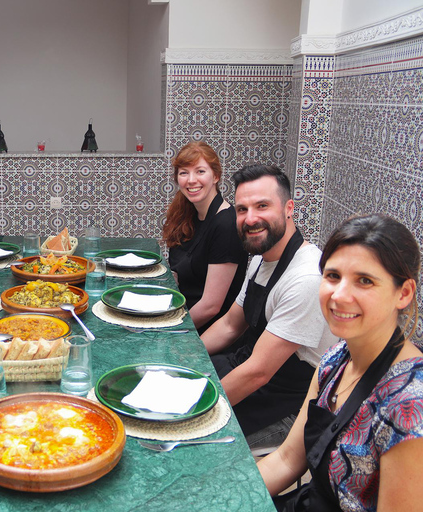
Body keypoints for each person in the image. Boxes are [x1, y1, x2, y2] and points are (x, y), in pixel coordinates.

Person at [258, 214, 423, 511]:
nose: (339, 295)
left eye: (364, 280)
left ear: (404, 293)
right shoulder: (335, 359)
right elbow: (285, 461)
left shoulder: (410, 407)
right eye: (333, 276)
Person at [201, 164, 337, 446]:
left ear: (288, 208)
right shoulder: (262, 256)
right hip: (249, 370)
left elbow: (258, 372)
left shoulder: (306, 277)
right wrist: (186, 358)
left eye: (262, 206)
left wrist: (194, 412)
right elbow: (229, 326)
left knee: (189, 448)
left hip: (289, 407)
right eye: (242, 209)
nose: (251, 219)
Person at [162, 141, 248, 332]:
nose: (191, 180)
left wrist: (169, 331)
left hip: (207, 330)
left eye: (200, 171)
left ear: (216, 176)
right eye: (184, 173)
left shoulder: (226, 224)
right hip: (182, 313)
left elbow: (211, 306)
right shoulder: (188, 213)